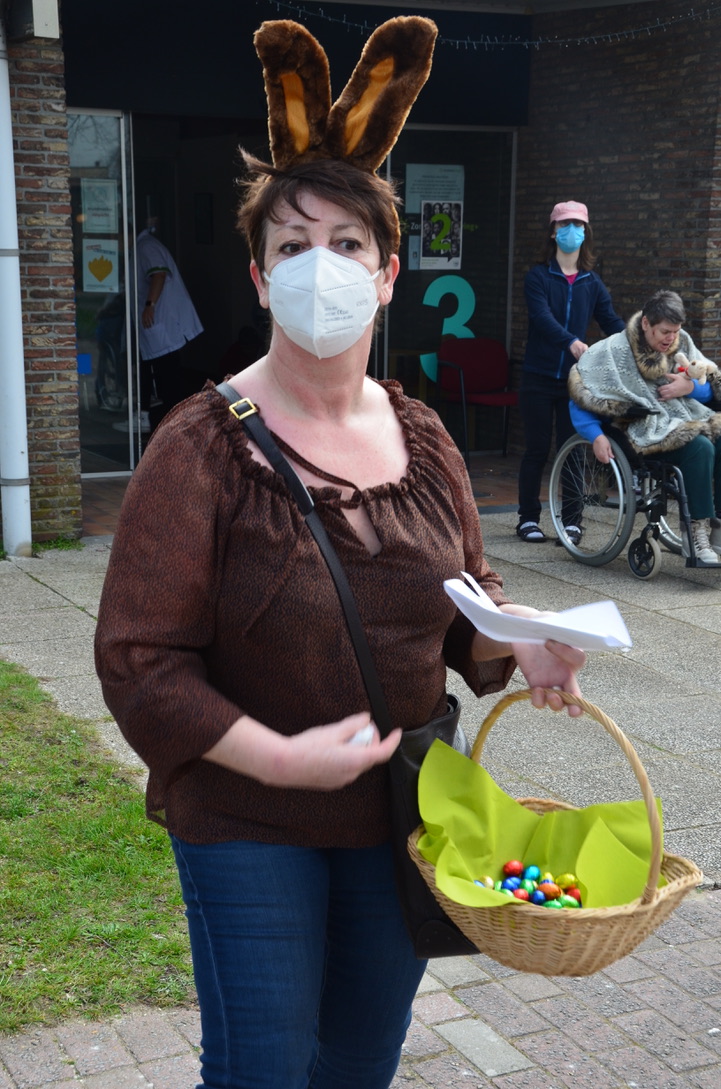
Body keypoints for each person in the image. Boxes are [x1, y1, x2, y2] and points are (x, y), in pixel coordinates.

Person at [95, 17, 586, 1089]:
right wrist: (277, 758)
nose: (321, 266)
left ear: (389, 271)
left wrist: (519, 646)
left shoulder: (424, 436)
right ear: (260, 278)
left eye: (348, 244)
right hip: (247, 814)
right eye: (291, 246)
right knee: (264, 1070)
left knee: (360, 1064)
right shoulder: (198, 446)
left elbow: (465, 596)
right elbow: (138, 658)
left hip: (398, 811)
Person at [568, 289, 721, 564]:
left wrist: (688, 388)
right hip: (640, 431)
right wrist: (595, 436)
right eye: (665, 332)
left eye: (676, 331)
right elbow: (581, 395)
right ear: (646, 323)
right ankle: (695, 533)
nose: (671, 338)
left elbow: (709, 385)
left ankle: (718, 528)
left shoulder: (682, 343)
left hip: (683, 417)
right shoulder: (613, 351)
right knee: (700, 447)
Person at [516, 200, 625, 543]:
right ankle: (527, 519)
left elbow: (611, 322)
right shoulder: (538, 277)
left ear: (585, 233)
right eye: (565, 225)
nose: (572, 231)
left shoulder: (592, 282)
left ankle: (573, 522)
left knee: (573, 449)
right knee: (536, 449)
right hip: (537, 376)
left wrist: (639, 344)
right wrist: (571, 342)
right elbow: (542, 318)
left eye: (578, 225)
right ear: (553, 232)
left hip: (574, 383)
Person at [124, 218, 204, 433]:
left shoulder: (146, 247)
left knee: (167, 375)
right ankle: (150, 418)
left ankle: (175, 426)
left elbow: (158, 274)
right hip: (158, 327)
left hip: (162, 324)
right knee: (155, 370)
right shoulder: (141, 248)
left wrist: (149, 305)